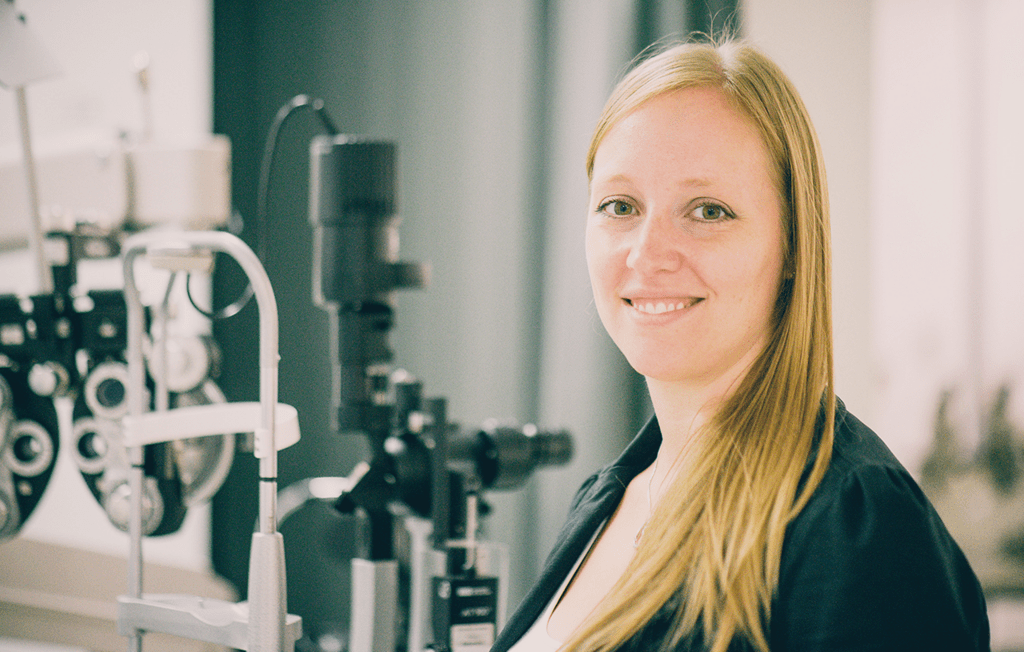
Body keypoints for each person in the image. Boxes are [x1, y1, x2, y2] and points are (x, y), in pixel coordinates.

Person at [491, 38, 990, 652]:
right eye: (619, 205)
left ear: (791, 246)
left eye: (707, 211)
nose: (647, 253)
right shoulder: (608, 496)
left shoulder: (853, 520)